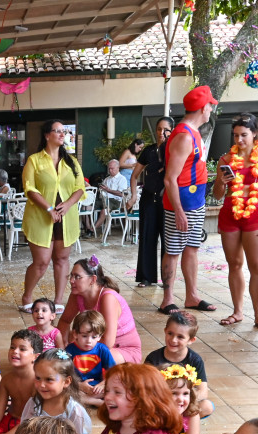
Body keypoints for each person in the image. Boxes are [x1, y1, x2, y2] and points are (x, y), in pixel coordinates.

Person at [213, 113, 258, 328]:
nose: (239, 139)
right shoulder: (225, 160)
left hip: (255, 214)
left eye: (244, 135)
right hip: (229, 214)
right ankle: (237, 311)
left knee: (256, 266)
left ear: (254, 134)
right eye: (235, 135)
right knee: (234, 264)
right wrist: (221, 182)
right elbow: (217, 195)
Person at [160, 87, 219, 315]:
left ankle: (192, 296)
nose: (211, 109)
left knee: (192, 248)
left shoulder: (193, 132)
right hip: (182, 204)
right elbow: (170, 179)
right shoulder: (184, 136)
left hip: (195, 201)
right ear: (203, 108)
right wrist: (178, 210)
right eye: (210, 105)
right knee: (173, 250)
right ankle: (167, 300)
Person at [17, 119, 85, 314]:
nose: (63, 134)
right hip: (40, 216)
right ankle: (27, 296)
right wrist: (49, 209)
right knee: (41, 262)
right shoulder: (34, 160)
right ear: (47, 135)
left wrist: (68, 204)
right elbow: (29, 188)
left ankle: (58, 300)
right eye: (57, 131)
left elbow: (80, 187)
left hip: (66, 217)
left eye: (64, 131)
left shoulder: (71, 161)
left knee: (62, 259)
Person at [57, 256, 142, 363]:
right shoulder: (77, 294)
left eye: (77, 277)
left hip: (122, 349)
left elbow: (107, 342)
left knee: (83, 360)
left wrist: (75, 349)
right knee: (53, 336)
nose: (71, 280)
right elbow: (65, 321)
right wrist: (62, 345)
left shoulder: (108, 298)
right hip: (91, 341)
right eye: (71, 276)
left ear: (93, 279)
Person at [143, 310, 214, 417]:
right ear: (165, 331)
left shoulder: (195, 360)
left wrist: (185, 399)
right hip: (161, 405)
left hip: (184, 404)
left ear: (191, 340)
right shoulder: (153, 358)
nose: (173, 340)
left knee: (207, 406)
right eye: (170, 333)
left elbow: (203, 392)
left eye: (180, 337)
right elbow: (144, 388)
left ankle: (180, 422)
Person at [133, 116, 173, 287]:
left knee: (167, 239)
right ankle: (146, 277)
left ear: (171, 131)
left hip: (167, 199)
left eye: (165, 129)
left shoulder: (174, 150)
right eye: (159, 129)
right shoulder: (149, 150)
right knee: (147, 237)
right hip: (149, 197)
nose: (161, 132)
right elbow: (135, 175)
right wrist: (133, 196)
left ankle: (167, 279)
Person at [66, 310, 116, 406]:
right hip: (77, 386)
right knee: (63, 389)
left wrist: (103, 383)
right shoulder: (69, 350)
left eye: (94, 337)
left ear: (100, 336)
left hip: (98, 387)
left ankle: (87, 400)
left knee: (120, 387)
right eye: (84, 336)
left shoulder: (102, 349)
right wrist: (80, 385)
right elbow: (64, 373)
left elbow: (114, 371)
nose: (89, 341)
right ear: (75, 334)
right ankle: (96, 402)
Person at [93, 159, 128, 236]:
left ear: (118, 168)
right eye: (109, 169)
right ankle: (88, 227)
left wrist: (108, 190)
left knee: (104, 211)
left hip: (115, 201)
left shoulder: (122, 179)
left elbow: (121, 194)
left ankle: (93, 230)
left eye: (112, 168)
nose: (110, 171)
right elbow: (103, 190)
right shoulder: (107, 179)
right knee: (87, 207)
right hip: (103, 199)